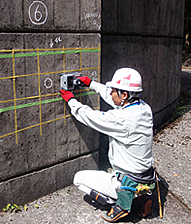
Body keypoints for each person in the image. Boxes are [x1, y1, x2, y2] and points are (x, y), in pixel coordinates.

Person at [60, 68, 156, 222]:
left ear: (124, 94)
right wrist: (91, 84)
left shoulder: (122, 120)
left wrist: (71, 100)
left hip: (127, 180)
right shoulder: (144, 108)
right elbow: (113, 99)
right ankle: (140, 199)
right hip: (145, 177)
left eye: (113, 90)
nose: (110, 93)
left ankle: (121, 204)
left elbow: (91, 117)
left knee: (79, 179)